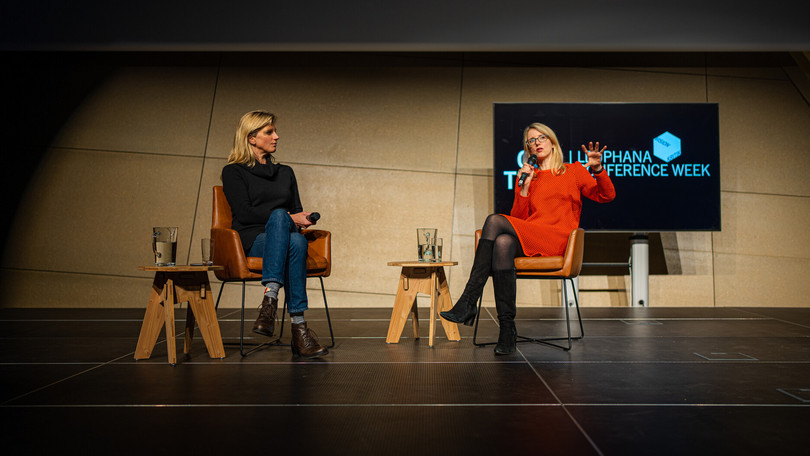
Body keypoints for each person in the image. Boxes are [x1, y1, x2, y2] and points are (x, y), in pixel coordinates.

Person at [441, 122, 616, 355]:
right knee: (503, 242)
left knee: (494, 221)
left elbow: (607, 196)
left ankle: (468, 299)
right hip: (531, 236)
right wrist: (523, 186)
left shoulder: (573, 171)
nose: (537, 143)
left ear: (552, 143)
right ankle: (506, 329)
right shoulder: (527, 176)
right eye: (531, 141)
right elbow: (518, 220)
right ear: (529, 148)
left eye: (541, 138)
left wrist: (598, 169)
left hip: (558, 239)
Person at [221, 110, 328, 358]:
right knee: (286, 226)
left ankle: (270, 302)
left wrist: (302, 219)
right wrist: (288, 218)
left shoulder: (286, 172)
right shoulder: (233, 172)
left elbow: (296, 211)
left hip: (284, 237)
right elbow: (244, 214)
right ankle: (299, 330)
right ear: (251, 138)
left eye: (274, 131)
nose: (276, 136)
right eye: (269, 132)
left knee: (295, 238)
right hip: (253, 240)